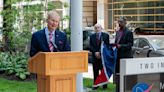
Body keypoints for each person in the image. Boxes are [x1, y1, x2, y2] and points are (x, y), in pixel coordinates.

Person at [114, 17, 133, 92]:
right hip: (118, 57)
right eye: (118, 22)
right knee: (118, 74)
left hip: (126, 57)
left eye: (121, 22)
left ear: (125, 22)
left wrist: (121, 46)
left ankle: (126, 89)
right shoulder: (118, 32)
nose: (119, 23)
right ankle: (118, 89)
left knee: (126, 75)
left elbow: (130, 44)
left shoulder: (129, 32)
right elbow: (116, 42)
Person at [89, 23, 110, 90]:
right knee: (95, 72)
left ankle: (104, 86)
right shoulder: (92, 36)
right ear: (94, 29)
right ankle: (96, 85)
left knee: (103, 72)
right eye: (96, 28)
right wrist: (95, 52)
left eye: (98, 27)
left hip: (103, 57)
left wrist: (100, 52)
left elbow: (107, 46)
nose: (97, 29)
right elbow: (90, 46)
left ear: (101, 28)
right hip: (95, 57)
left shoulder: (106, 36)